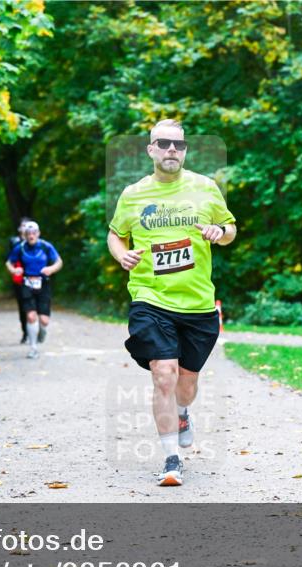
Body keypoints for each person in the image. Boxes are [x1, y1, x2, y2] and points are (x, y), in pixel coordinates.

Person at [106, 119, 237, 487]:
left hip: (197, 303)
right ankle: (171, 459)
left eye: (178, 145)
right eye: (163, 144)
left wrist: (219, 232)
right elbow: (116, 235)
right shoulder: (133, 194)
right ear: (150, 149)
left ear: (185, 150)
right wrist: (121, 256)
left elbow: (230, 230)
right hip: (150, 296)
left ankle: (182, 413)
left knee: (186, 385)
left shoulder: (205, 188)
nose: (171, 150)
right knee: (164, 373)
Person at [5, 220, 62, 359]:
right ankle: (33, 348)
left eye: (34, 233)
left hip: (43, 283)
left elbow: (59, 262)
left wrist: (51, 269)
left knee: (44, 321)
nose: (31, 236)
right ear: (25, 234)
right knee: (31, 317)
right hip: (27, 283)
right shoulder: (20, 248)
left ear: (38, 233)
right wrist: (14, 270)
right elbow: (8, 262)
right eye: (28, 233)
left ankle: (42, 332)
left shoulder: (45, 246)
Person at [7, 221, 28, 343]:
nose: (25, 228)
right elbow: (10, 259)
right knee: (22, 306)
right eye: (23, 226)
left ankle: (34, 329)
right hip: (19, 278)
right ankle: (25, 331)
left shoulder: (38, 243)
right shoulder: (14, 242)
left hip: (34, 277)